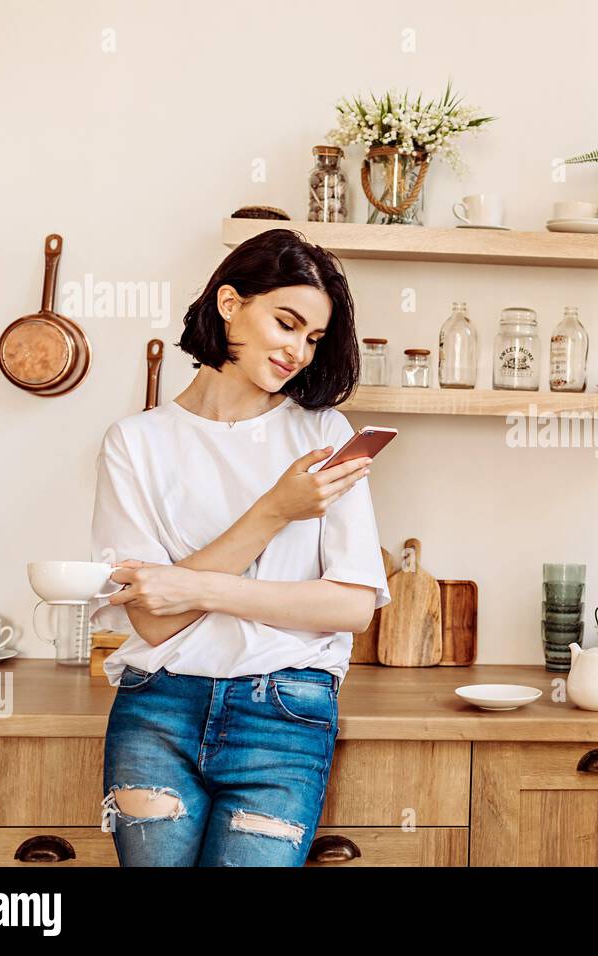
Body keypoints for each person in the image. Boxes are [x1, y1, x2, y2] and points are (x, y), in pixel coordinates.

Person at [89, 228, 390, 866]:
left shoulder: (323, 434)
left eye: (313, 339)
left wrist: (195, 587)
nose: (299, 352)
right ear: (230, 303)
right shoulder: (135, 442)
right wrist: (274, 511)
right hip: (157, 707)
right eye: (287, 323)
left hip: (283, 710)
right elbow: (149, 616)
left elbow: (351, 607)